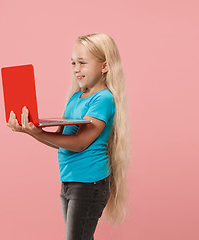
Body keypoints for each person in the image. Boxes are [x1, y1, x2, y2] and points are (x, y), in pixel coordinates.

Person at [7, 32, 130, 240]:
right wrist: (30, 129)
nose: (76, 69)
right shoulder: (75, 97)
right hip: (69, 181)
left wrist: (37, 132)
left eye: (82, 63)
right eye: (73, 63)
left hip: (89, 183)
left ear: (104, 66)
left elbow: (80, 143)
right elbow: (60, 140)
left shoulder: (104, 99)